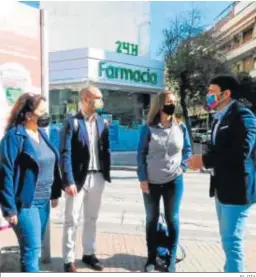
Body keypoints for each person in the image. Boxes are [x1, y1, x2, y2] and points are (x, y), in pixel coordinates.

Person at [188, 74, 256, 272]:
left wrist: (205, 160)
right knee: (227, 239)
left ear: (226, 94)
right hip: (221, 187)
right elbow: (219, 147)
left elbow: (241, 151)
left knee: (232, 241)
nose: (208, 95)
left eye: (212, 91)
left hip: (237, 189)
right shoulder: (219, 117)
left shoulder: (243, 116)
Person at [0, 93, 62, 272]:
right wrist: (9, 208)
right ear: (28, 115)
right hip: (26, 204)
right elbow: (6, 173)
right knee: (32, 250)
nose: (46, 115)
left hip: (43, 202)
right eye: (41, 111)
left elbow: (50, 162)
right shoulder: (14, 137)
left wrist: (55, 192)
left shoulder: (41, 133)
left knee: (34, 249)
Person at [137, 91, 192, 272]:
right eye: (170, 102)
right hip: (151, 182)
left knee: (172, 218)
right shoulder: (148, 128)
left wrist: (182, 167)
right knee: (151, 219)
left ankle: (171, 257)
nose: (173, 104)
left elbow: (188, 151)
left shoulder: (181, 127)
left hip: (173, 181)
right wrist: (143, 178)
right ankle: (151, 258)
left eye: (174, 102)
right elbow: (141, 154)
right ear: (160, 105)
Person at [60, 83, 111, 272]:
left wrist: (106, 173)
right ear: (85, 99)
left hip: (97, 178)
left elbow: (106, 149)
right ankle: (68, 259)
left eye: (100, 98)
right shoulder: (72, 123)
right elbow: (65, 153)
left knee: (92, 218)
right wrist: (68, 181)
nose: (100, 102)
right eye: (96, 98)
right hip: (78, 180)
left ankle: (89, 253)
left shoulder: (102, 122)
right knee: (71, 219)